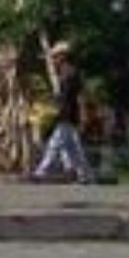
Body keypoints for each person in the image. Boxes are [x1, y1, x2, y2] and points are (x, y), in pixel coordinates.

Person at [30, 42, 94, 183]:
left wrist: (83, 114)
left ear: (63, 57)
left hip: (69, 114)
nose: (54, 60)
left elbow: (80, 96)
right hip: (64, 114)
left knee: (55, 144)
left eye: (56, 57)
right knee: (74, 148)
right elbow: (62, 97)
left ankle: (40, 172)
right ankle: (84, 175)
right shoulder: (63, 73)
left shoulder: (71, 73)